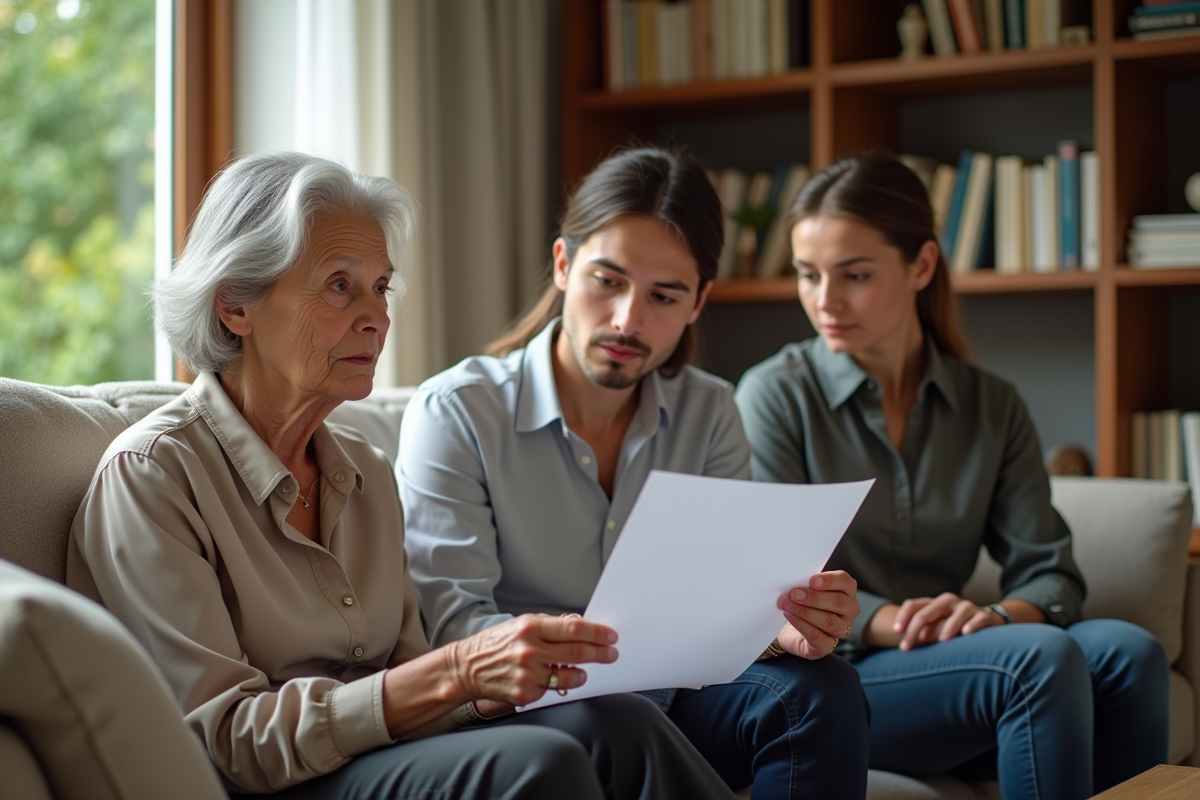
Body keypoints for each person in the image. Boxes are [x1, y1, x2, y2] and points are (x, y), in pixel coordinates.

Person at [66, 151, 739, 800]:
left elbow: (411, 673)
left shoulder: (364, 470)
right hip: (259, 782)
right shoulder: (152, 476)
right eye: (340, 285)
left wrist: (513, 673)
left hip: (374, 755)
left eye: (381, 287)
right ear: (235, 305)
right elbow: (226, 741)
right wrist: (455, 672)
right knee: (543, 762)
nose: (377, 316)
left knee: (618, 723)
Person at [398, 146, 871, 799]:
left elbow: (724, 606)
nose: (627, 320)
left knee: (821, 690)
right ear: (563, 266)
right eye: (607, 280)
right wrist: (591, 656)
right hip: (528, 707)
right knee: (620, 715)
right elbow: (449, 625)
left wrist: (779, 627)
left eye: (664, 295)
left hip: (674, 699)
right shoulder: (457, 412)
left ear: (699, 302)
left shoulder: (710, 410)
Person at [733, 151, 1170, 800]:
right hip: (838, 673)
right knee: (1039, 659)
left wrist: (993, 616)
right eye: (806, 275)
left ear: (922, 265)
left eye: (853, 275)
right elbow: (771, 586)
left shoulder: (991, 405)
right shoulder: (774, 395)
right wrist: (899, 622)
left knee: (1129, 652)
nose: (825, 301)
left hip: (961, 657)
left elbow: (1051, 573)